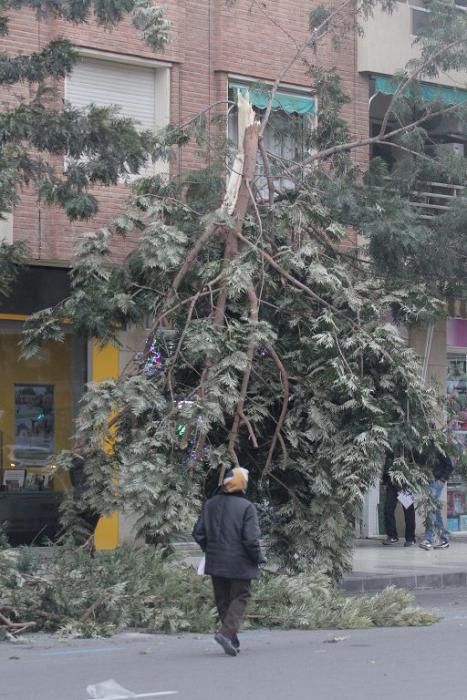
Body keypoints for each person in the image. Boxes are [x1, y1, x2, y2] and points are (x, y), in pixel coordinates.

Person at [192, 466, 265, 657]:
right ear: (243, 485)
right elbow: (250, 540)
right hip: (240, 563)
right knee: (240, 597)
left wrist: (210, 549)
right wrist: (259, 557)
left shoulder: (211, 504)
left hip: (216, 561)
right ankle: (226, 634)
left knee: (223, 600)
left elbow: (198, 533)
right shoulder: (247, 507)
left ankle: (231, 638)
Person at [419, 450, 453, 551]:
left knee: (431, 506)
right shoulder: (423, 446)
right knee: (435, 508)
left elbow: (449, 465)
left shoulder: (438, 446)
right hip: (428, 480)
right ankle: (444, 539)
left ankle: (429, 539)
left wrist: (442, 480)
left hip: (436, 481)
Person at [382, 458, 416, 547]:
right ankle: (392, 536)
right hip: (392, 484)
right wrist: (385, 481)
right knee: (388, 509)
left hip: (404, 484)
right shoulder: (391, 450)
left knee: (408, 511)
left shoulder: (406, 449)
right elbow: (387, 464)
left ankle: (410, 538)